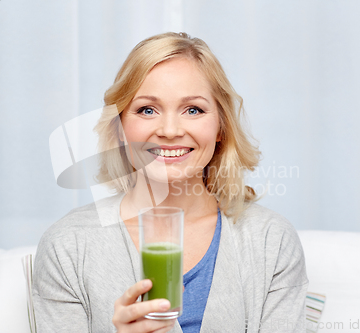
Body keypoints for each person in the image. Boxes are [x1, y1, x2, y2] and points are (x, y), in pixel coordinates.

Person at [33, 32, 308, 333]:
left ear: (221, 127)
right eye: (147, 110)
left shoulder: (271, 240)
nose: (169, 130)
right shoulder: (67, 245)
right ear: (120, 128)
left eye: (193, 110)